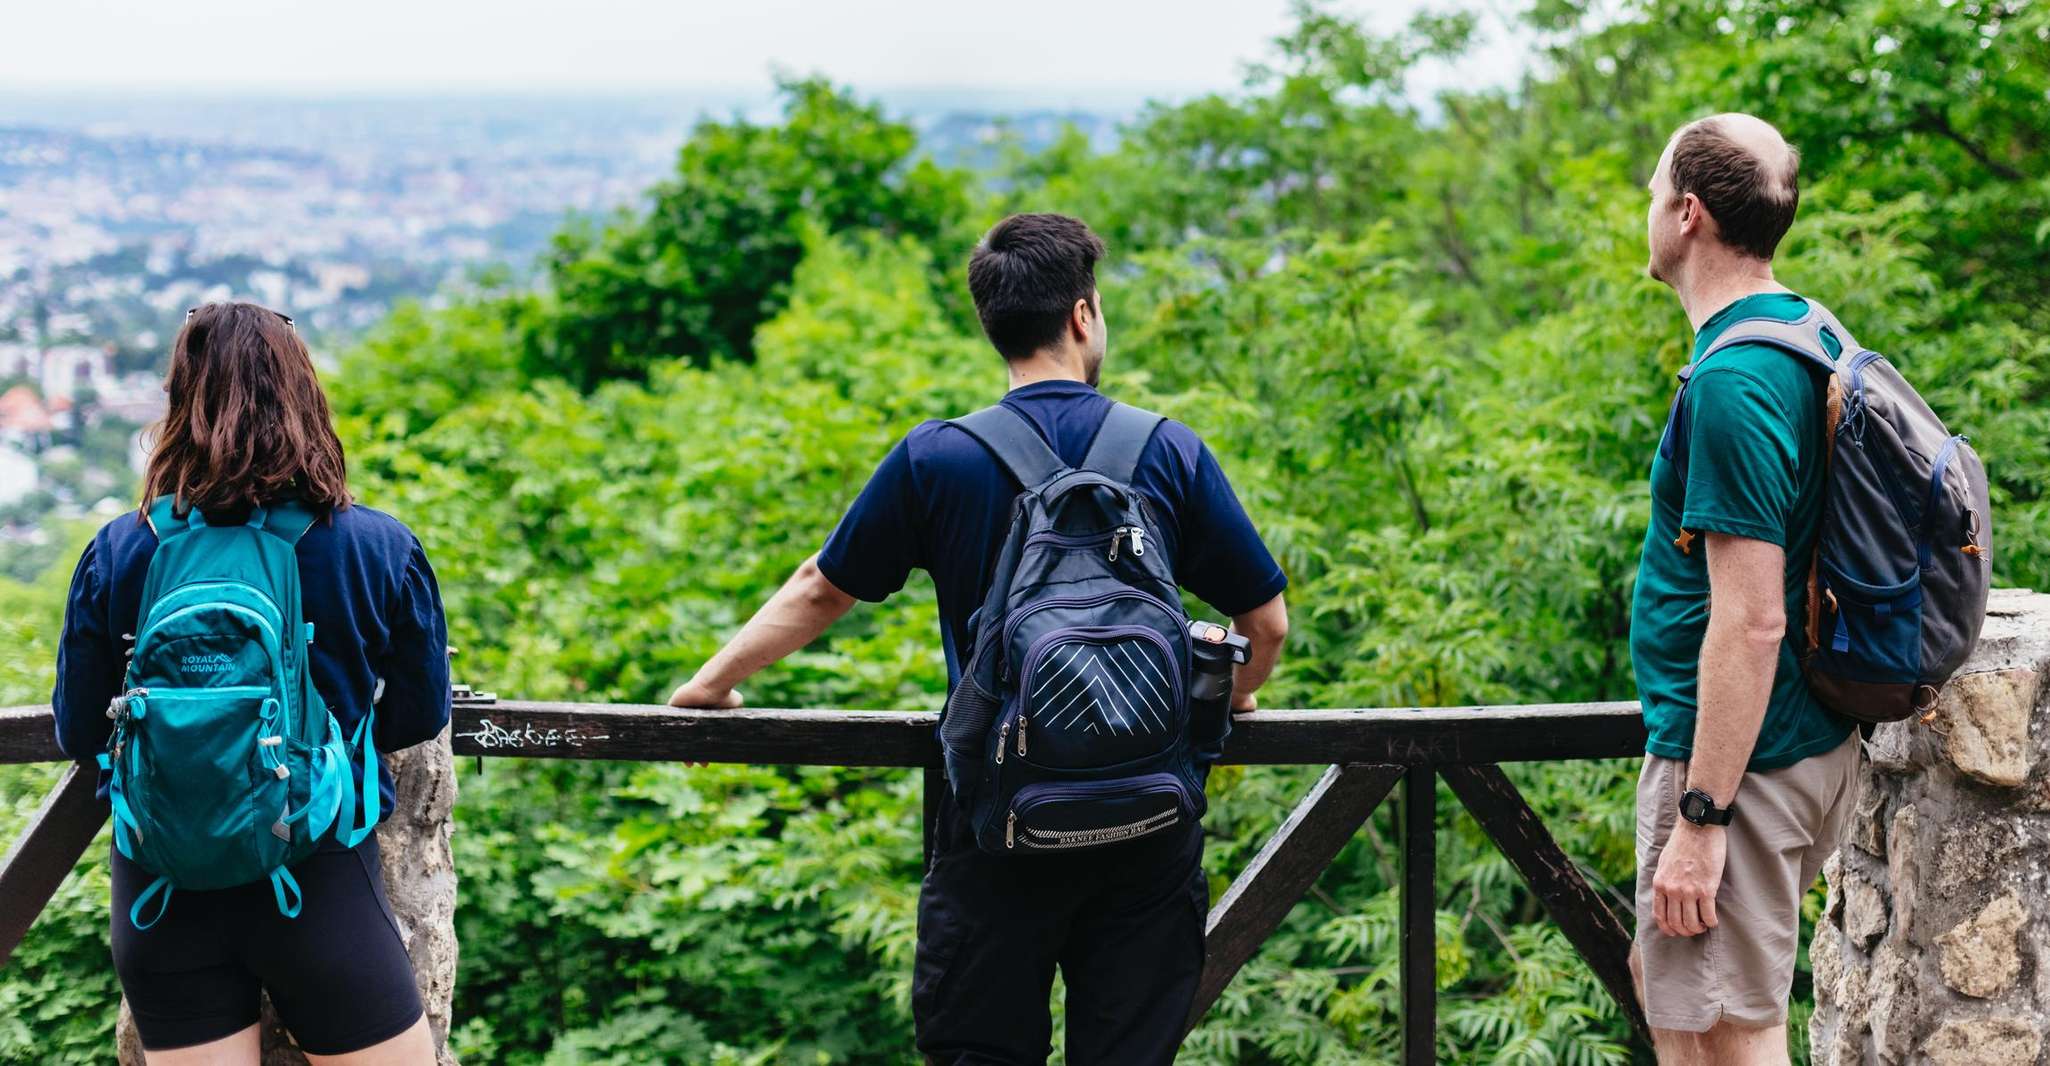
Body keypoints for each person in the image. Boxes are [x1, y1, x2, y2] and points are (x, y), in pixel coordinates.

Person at [668, 212, 1289, 1064]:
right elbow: (1265, 622)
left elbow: (823, 588)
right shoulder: (1168, 450)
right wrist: (1233, 698)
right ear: (1083, 315)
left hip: (996, 825)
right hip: (1148, 823)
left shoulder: (939, 457)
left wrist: (710, 685)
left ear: (992, 323)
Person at [53, 302, 450, 1065]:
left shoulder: (118, 550)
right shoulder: (376, 546)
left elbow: (79, 729)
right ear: (305, 396)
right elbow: (415, 716)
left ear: (179, 403)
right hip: (319, 885)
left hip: (161, 893)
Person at [1629, 115, 1862, 1064]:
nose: (1646, 207)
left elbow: (1754, 619)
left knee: (1726, 1029)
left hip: (1742, 763)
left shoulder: (1737, 379)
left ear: (1688, 213)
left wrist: (1701, 818)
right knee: (1679, 995)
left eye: (1653, 190)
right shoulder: (1808, 328)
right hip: (1803, 737)